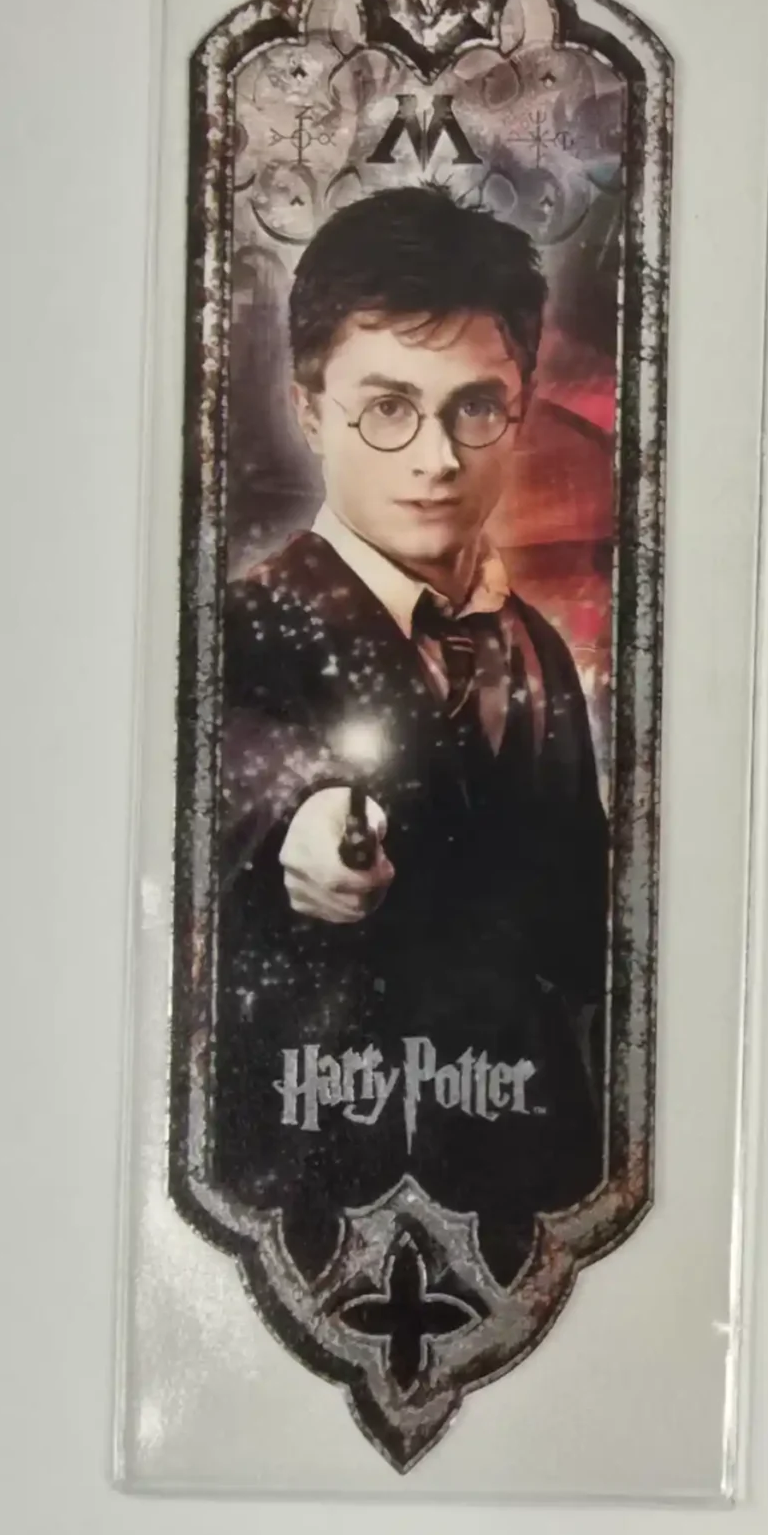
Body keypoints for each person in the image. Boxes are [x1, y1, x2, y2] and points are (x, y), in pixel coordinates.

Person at [214, 185, 609, 1281]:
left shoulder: (538, 648)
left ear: (520, 408)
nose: (435, 456)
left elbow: (580, 929)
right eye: (387, 408)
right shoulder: (240, 631)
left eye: (474, 407)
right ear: (309, 410)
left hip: (537, 1192)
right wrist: (294, 830)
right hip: (329, 1190)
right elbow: (239, 783)